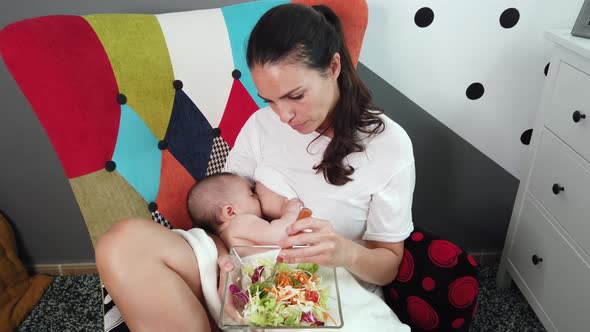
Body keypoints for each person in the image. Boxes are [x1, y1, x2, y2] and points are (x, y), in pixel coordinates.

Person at [95, 3, 415, 332]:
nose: (283, 116)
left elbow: (388, 263)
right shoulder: (262, 125)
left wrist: (345, 253)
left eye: (296, 95)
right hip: (246, 268)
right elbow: (226, 214)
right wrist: (227, 270)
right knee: (121, 244)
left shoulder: (389, 146)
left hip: (321, 290)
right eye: (270, 100)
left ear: (333, 67)